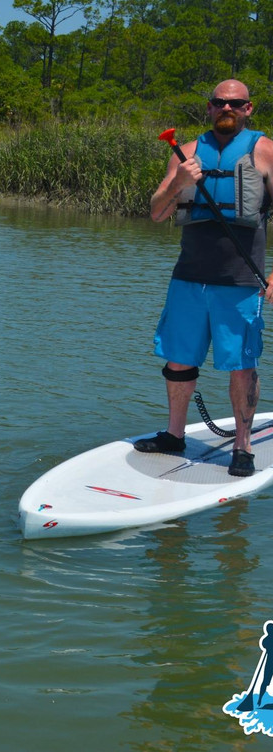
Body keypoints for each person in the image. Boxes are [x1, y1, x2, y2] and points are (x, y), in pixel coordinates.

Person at [143, 79, 273, 476]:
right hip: (189, 276)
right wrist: (179, 182)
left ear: (249, 109)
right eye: (219, 102)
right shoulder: (184, 152)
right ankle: (174, 434)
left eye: (235, 103)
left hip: (240, 279)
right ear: (210, 107)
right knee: (179, 359)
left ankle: (243, 447)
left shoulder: (264, 150)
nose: (226, 108)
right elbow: (156, 211)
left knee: (241, 363)